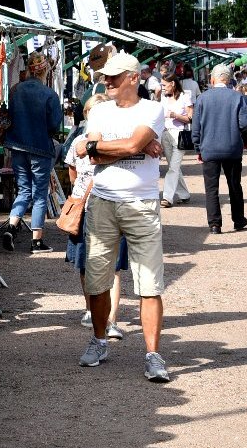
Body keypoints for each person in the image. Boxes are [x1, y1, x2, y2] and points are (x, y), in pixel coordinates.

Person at [72, 51, 172, 383]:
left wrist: (112, 147)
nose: (108, 82)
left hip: (141, 204)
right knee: (97, 279)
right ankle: (100, 339)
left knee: (149, 282)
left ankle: (153, 354)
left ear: (134, 77)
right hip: (103, 202)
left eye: (114, 77)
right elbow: (87, 151)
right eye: (106, 77)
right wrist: (134, 146)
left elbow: (109, 148)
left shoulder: (153, 109)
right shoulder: (99, 109)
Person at [61, 95, 128, 338]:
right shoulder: (80, 140)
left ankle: (110, 319)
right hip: (89, 207)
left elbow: (71, 173)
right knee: (85, 263)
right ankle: (91, 309)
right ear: (87, 115)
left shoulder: (115, 139)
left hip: (110, 205)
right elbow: (71, 170)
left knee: (113, 267)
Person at [2, 54, 64, 253]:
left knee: (23, 190)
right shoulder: (49, 94)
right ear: (45, 71)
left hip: (18, 146)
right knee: (39, 194)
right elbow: (55, 124)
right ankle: (36, 241)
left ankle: (11, 226)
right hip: (40, 147)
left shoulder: (15, 91)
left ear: (28, 69)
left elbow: (9, 117)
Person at [194, 65, 247, 234]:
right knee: (234, 185)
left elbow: (196, 127)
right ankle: (238, 220)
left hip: (209, 148)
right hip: (232, 148)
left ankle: (215, 224)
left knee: (211, 188)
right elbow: (245, 123)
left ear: (212, 79)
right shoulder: (237, 97)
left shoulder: (203, 98)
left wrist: (198, 147)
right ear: (229, 79)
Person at [158, 76, 193, 206]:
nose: (162, 88)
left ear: (172, 84)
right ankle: (184, 194)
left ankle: (167, 197)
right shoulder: (163, 98)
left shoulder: (185, 97)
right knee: (174, 167)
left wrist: (175, 115)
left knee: (173, 167)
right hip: (165, 133)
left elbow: (190, 118)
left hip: (179, 135)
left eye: (164, 85)